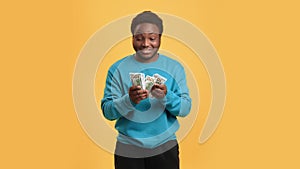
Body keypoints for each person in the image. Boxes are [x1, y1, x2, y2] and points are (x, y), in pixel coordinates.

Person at [101, 11, 192, 169]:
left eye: (152, 38)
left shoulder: (174, 68)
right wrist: (129, 100)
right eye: (139, 38)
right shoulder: (117, 69)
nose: (145, 44)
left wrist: (166, 96)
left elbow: (185, 109)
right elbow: (108, 112)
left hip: (165, 146)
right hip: (127, 147)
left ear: (160, 38)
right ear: (132, 38)